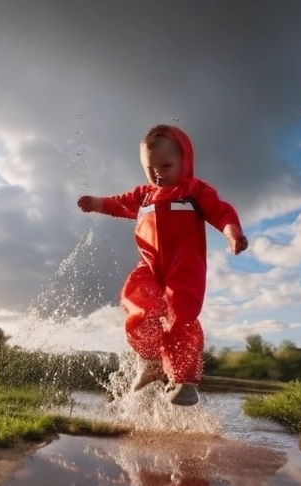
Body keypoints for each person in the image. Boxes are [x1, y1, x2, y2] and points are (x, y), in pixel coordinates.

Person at [77, 124, 247, 406]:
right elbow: (118, 203)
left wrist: (232, 232)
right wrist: (95, 203)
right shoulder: (143, 195)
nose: (158, 173)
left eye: (166, 165)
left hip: (184, 268)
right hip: (149, 266)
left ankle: (183, 380)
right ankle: (153, 360)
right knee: (136, 308)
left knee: (181, 319)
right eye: (150, 167)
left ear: (184, 162)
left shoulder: (193, 190)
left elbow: (221, 211)